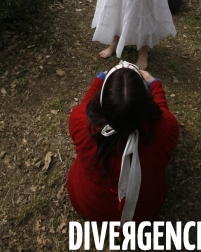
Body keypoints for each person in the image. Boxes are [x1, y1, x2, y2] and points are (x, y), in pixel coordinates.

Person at [67, 62, 179, 223]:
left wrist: (99, 80)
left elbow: (86, 106)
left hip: (88, 203)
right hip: (144, 212)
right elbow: (163, 113)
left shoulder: (82, 123)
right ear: (146, 104)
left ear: (102, 101)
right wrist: (155, 84)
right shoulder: (166, 129)